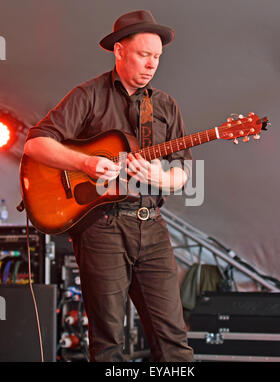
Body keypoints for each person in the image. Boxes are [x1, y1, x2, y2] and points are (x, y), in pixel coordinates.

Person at [24, 10, 194, 362]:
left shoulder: (164, 105)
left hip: (151, 223)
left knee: (175, 342)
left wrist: (160, 177)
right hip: (101, 227)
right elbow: (35, 145)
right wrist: (84, 162)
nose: (152, 65)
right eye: (144, 55)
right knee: (107, 344)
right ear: (119, 51)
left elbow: (183, 171)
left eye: (157, 57)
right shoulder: (88, 95)